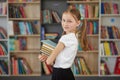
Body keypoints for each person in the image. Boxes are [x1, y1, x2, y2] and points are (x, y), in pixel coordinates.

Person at [38, 8, 88, 80]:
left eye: (69, 21)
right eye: (63, 20)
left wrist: (48, 58)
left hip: (59, 74)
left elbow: (49, 62)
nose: (65, 24)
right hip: (67, 72)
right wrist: (48, 57)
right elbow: (62, 58)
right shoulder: (74, 36)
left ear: (78, 23)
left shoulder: (65, 38)